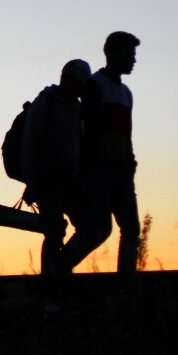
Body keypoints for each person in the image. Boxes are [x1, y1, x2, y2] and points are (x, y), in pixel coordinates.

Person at [61, 32, 142, 276]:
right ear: (112, 54)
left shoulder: (126, 93)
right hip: (98, 172)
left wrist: (130, 161)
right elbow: (86, 129)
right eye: (129, 54)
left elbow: (125, 135)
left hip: (121, 171)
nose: (133, 60)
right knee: (98, 229)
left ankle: (125, 280)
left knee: (131, 228)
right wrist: (92, 167)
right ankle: (59, 268)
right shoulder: (94, 86)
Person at [19, 60, 91, 274]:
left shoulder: (77, 108)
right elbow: (29, 142)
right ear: (67, 79)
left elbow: (81, 145)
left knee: (88, 225)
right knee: (54, 231)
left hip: (72, 179)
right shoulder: (45, 103)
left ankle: (58, 269)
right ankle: (52, 283)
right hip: (48, 180)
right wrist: (31, 180)